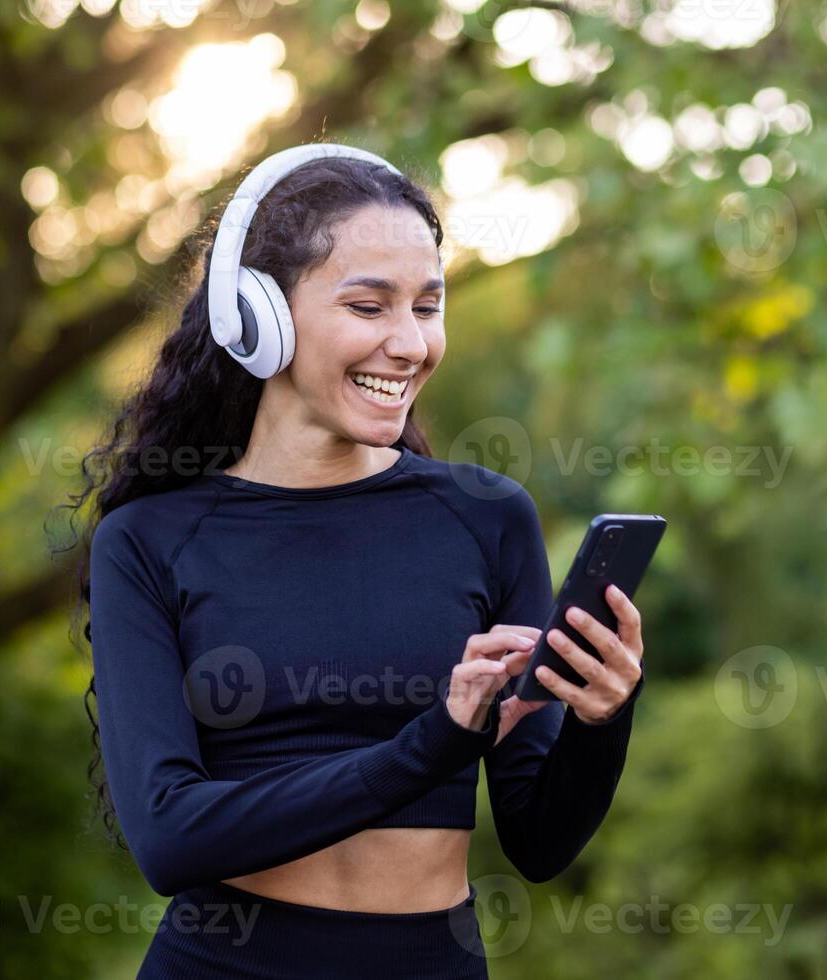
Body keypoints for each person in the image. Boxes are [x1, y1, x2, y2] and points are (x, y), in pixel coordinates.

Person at [67, 143, 646, 978]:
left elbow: (539, 840)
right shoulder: (153, 541)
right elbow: (170, 836)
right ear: (256, 316)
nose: (410, 344)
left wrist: (602, 717)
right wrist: (436, 740)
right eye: (370, 307)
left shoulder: (485, 520)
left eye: (428, 306)